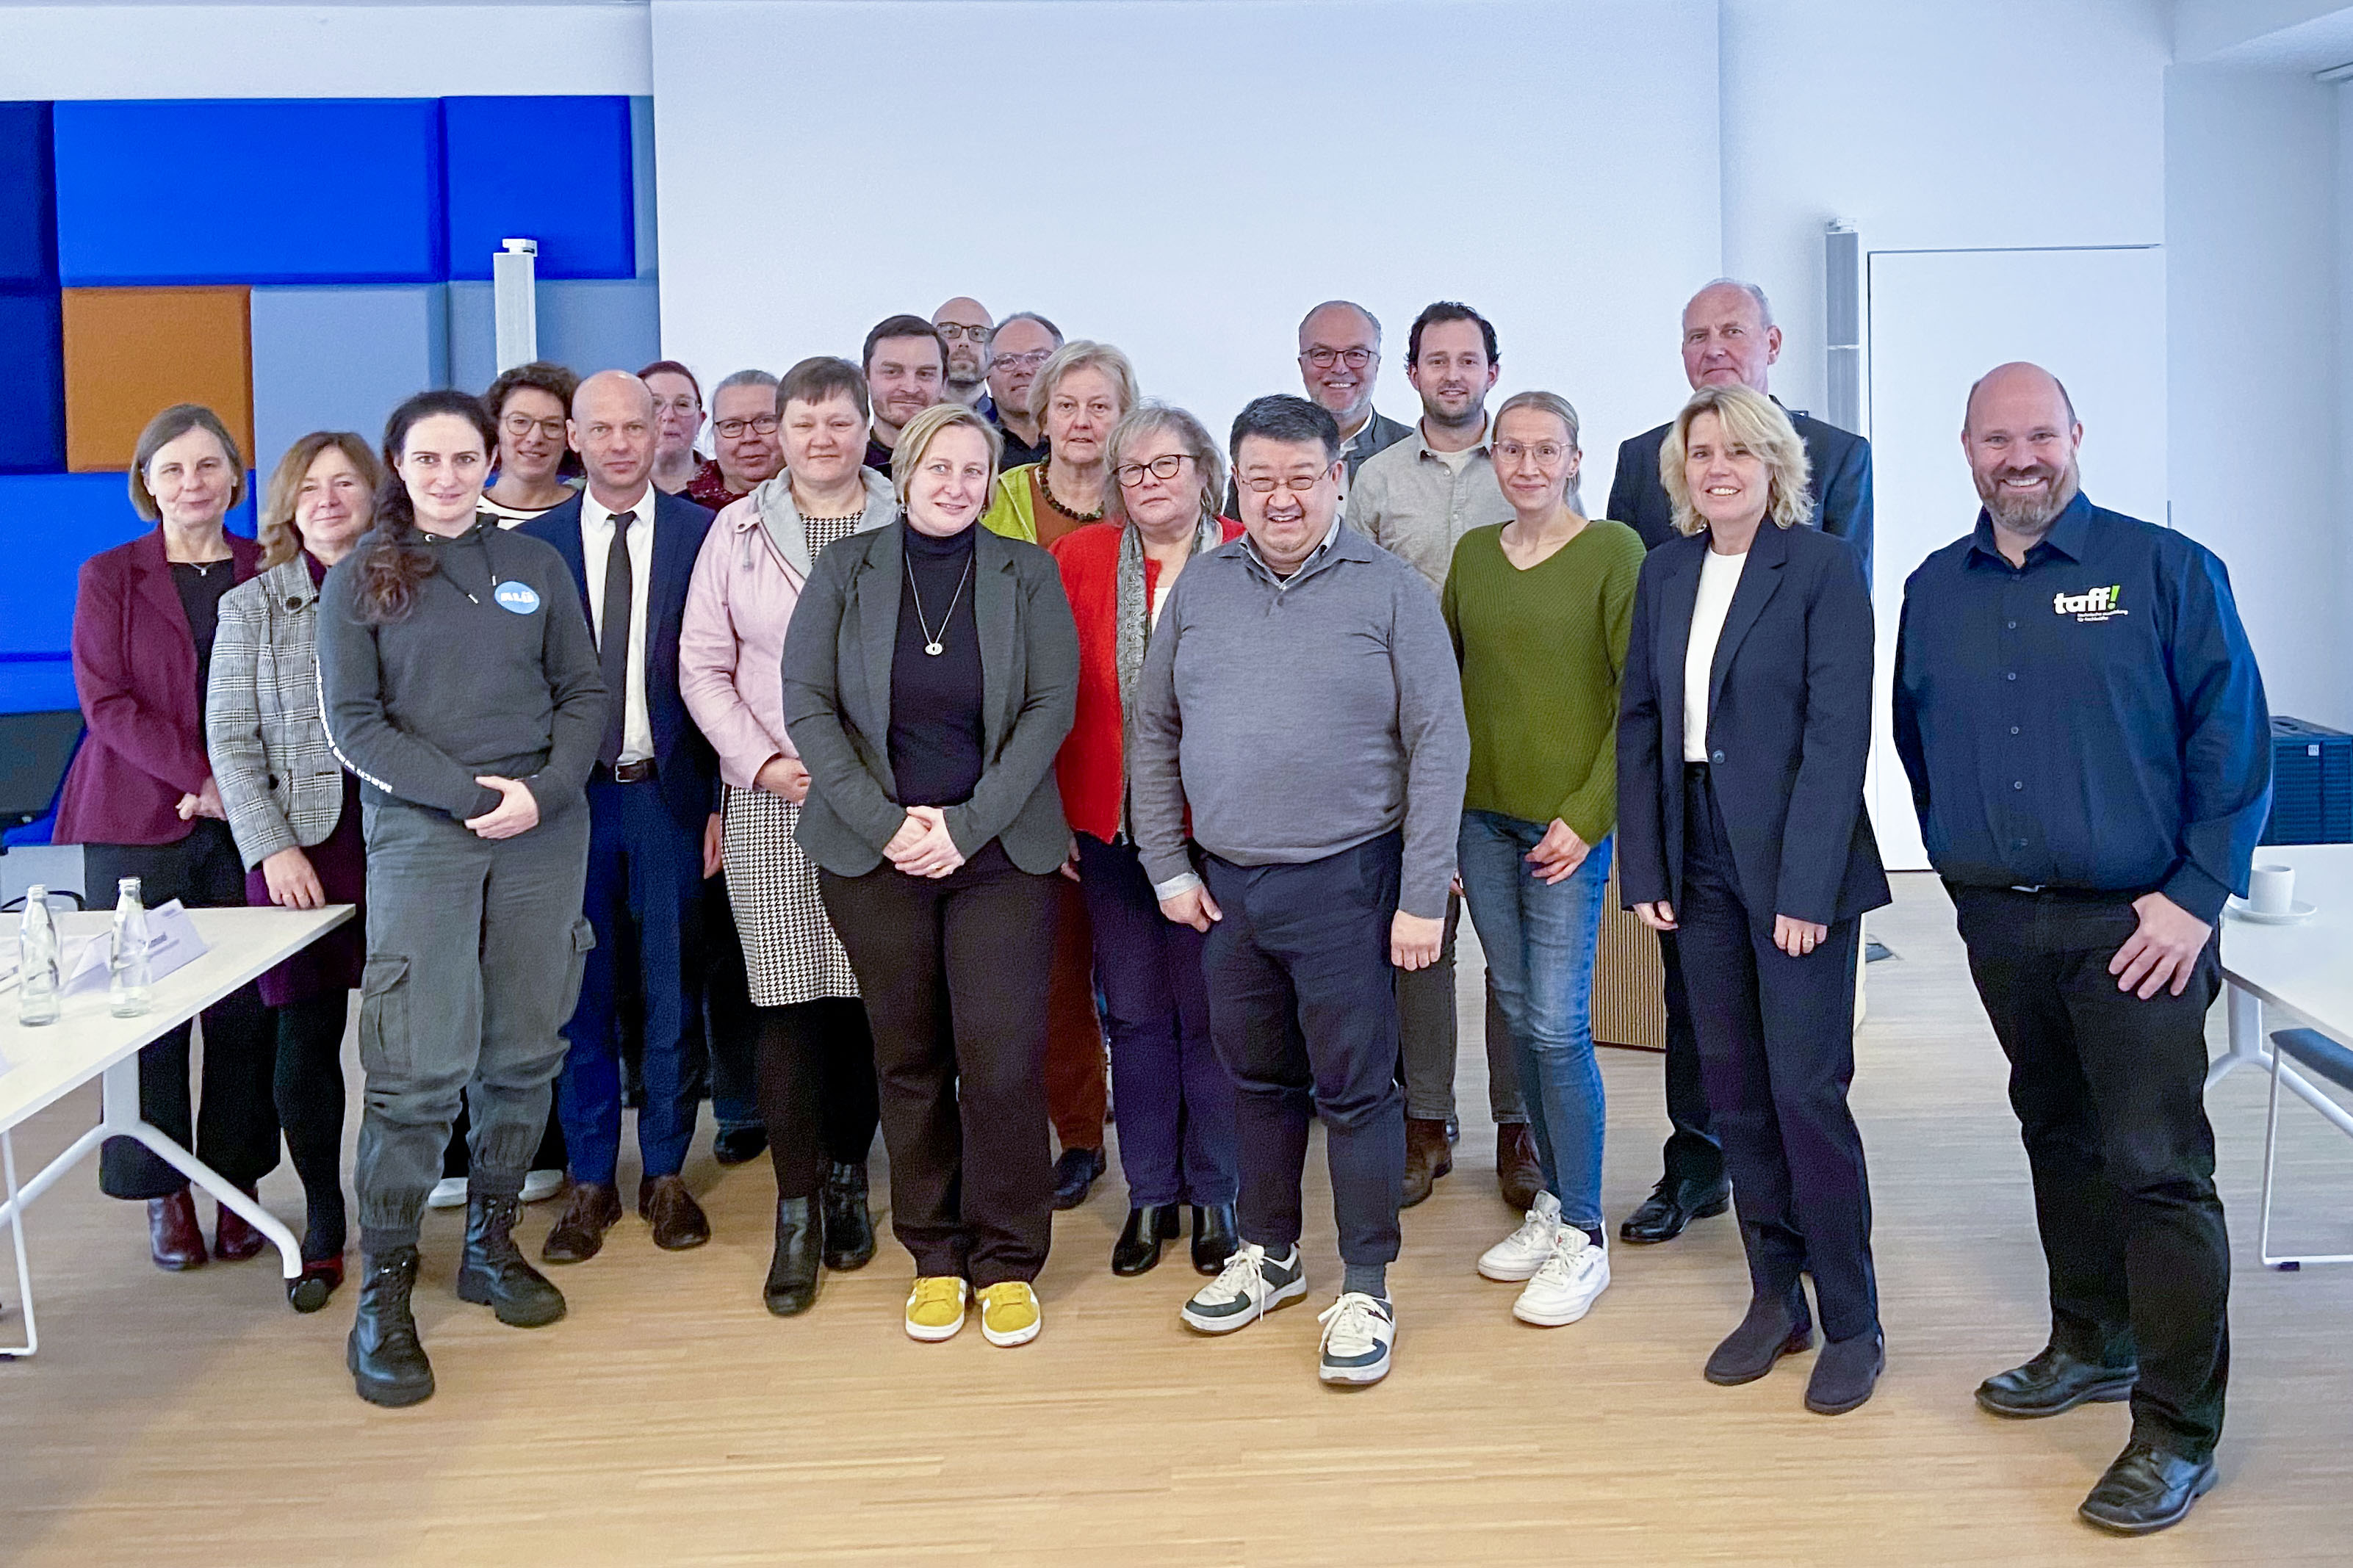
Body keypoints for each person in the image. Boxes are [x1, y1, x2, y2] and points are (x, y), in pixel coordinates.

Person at [1894, 363, 2271, 1536]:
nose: (2020, 457)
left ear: (2074, 437)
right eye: (1996, 438)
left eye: (2039, 435)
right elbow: (1917, 736)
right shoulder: (1931, 587)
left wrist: (2193, 893)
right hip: (2002, 920)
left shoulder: (2162, 569)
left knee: (2155, 1164)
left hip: (2137, 928)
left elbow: (2232, 734)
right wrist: (1963, 875)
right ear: (1963, 448)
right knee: (2054, 1133)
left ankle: (2173, 1427)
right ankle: (2089, 1338)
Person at [1136, 394, 1469, 1387]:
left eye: (1300, 477)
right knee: (1255, 1081)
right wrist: (1164, 861)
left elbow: (1438, 742)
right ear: (1234, 482)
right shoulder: (1200, 587)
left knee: (1358, 1088)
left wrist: (1419, 897)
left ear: (1335, 479)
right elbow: (1152, 731)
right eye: (1261, 478)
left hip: (1349, 882)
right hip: (1228, 889)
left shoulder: (1391, 590)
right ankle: (1271, 1253)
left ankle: (1363, 1280)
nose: (1280, 497)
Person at [318, 389, 605, 1407]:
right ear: (399, 464)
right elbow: (354, 724)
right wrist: (469, 795)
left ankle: (490, 1242)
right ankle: (385, 1289)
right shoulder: (360, 577)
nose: (446, 477)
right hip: (425, 840)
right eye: (426, 459)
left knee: (525, 1050)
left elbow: (587, 693)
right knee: (415, 1073)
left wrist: (544, 788)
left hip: (542, 832)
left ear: (492, 461)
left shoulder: (535, 563)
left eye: (463, 458)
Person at [779, 401, 1078, 1349]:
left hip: (999, 856)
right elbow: (808, 705)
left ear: (992, 481)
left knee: (998, 1059)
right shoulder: (845, 568)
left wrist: (963, 824)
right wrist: (890, 825)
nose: (954, 484)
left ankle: (1007, 1260)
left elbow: (1048, 706)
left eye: (972, 469)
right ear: (902, 472)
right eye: (937, 466)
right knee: (907, 1059)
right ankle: (936, 1255)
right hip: (873, 856)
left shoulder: (1024, 572)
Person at [1617, 383, 1888, 1417]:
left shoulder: (1816, 567)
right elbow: (1639, 721)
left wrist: (1806, 885)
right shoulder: (1664, 571)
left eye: (1736, 448)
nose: (1715, 465)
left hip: (1791, 854)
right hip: (1694, 855)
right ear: (1680, 472)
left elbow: (1836, 735)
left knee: (1805, 1091)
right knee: (1729, 1089)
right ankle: (1776, 1296)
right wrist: (1644, 868)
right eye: (1699, 452)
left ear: (1772, 460)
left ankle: (1854, 1319)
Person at [1605, 278, 1873, 1251]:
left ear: (1770, 341)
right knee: (1701, 1015)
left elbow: (1832, 673)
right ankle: (1698, 1163)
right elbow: (1640, 639)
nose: (1712, 347)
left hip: (1781, 789)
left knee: (1798, 1058)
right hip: (1687, 806)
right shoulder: (1644, 463)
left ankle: (1823, 1251)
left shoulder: (1837, 463)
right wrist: (1643, 843)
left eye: (1731, 332)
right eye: (1695, 336)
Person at [681, 355, 894, 1315]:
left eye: (837, 423)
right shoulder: (734, 530)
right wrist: (763, 764)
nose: (820, 440)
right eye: (802, 424)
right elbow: (702, 667)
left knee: (860, 997)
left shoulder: (904, 517)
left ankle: (850, 1177)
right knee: (787, 999)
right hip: (772, 798)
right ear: (780, 430)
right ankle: (797, 1206)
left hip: (881, 802)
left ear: (864, 425)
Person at [56, 404, 275, 1273]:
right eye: (173, 469)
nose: (193, 484)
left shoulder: (269, 568)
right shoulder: (109, 574)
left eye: (209, 466)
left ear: (234, 477)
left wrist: (239, 792)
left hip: (250, 818)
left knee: (245, 1015)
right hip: (133, 821)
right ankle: (164, 1191)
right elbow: (106, 702)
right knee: (148, 1016)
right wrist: (201, 781)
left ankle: (236, 1184)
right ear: (147, 482)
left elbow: (293, 690)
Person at [1446, 392, 1643, 1327]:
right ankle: (1554, 1200)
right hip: (1480, 821)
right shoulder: (1473, 557)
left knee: (1561, 1027)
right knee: (1520, 1016)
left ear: (1574, 457)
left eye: (1544, 450)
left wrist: (1586, 814)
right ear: (1492, 458)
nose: (1525, 465)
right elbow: (1445, 691)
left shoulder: (1613, 552)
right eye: (1510, 450)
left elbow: (1631, 703)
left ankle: (1586, 1234)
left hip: (1565, 828)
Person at [520, 372, 720, 1264]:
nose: (618, 443)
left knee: (675, 991)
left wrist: (720, 798)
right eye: (598, 428)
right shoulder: (530, 548)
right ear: (574, 436)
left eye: (634, 425)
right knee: (581, 996)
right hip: (569, 807)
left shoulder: (704, 534)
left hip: (669, 795)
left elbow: (725, 668)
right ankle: (593, 1179)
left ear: (659, 431)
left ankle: (668, 1171)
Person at [1049, 402, 1243, 1279]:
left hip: (1222, 829)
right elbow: (1049, 697)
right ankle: (1149, 1194)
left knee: (1211, 1019)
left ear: (1203, 470)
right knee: (1132, 1013)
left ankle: (1215, 1193)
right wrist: (1051, 809)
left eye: (1167, 465)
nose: (1151, 482)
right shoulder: (1078, 559)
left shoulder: (1246, 551)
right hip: (1110, 827)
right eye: (1133, 470)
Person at [1347, 302, 1530, 1209]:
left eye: (1468, 359)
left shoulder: (1529, 471)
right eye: (1435, 361)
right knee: (1416, 944)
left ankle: (1515, 1127)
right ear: (1410, 374)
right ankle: (1423, 1124)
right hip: (1402, 747)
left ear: (1492, 371)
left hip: (1508, 741)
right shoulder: (1372, 481)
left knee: (1509, 947)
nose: (1452, 374)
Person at [203, 430, 382, 1312]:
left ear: (373, 494)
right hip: (297, 849)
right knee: (305, 1038)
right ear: (286, 502)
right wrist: (271, 846)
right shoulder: (252, 605)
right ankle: (320, 1214)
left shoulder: (413, 585)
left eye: (345, 482)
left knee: (408, 1034)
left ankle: (402, 1206)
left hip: (402, 836)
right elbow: (230, 744)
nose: (327, 498)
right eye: (309, 485)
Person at [982, 339, 1139, 1207]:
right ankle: (1080, 1133)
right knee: (1056, 971)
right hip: (1032, 774)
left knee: (1147, 970)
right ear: (1040, 417)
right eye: (1066, 406)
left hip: (1134, 777)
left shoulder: (1149, 498)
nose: (1082, 422)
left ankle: (1165, 1126)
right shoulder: (1001, 499)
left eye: (1100, 406)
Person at [1297, 300, 1413, 491]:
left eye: (1356, 354)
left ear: (1377, 364)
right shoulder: (1264, 452)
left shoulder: (1415, 451)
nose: (1340, 368)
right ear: (1302, 365)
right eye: (1322, 354)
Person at [480, 361, 583, 527]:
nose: (535, 438)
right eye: (520, 422)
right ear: (495, 428)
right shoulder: (460, 513)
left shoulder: (588, 515)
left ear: (571, 436)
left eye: (552, 425)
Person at [685, 368, 784, 510]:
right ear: (714, 434)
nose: (749, 438)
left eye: (764, 421)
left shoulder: (821, 507)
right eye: (733, 425)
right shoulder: (678, 515)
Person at [860, 315, 947, 474]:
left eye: (925, 374)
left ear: (944, 383)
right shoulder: (845, 469)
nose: (910, 388)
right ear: (865, 378)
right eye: (892, 372)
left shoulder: (974, 465)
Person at [984, 311, 1062, 469]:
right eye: (1007, 361)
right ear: (988, 377)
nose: (1023, 369)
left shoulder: (1089, 442)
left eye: (1038, 358)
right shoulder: (972, 444)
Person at [641, 360, 707, 496]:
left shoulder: (729, 487)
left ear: (701, 420)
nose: (669, 416)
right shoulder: (610, 490)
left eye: (683, 404)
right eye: (655, 404)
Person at [932, 296, 995, 410]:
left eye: (977, 333)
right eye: (950, 331)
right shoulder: (907, 422)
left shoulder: (1017, 423)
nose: (964, 342)